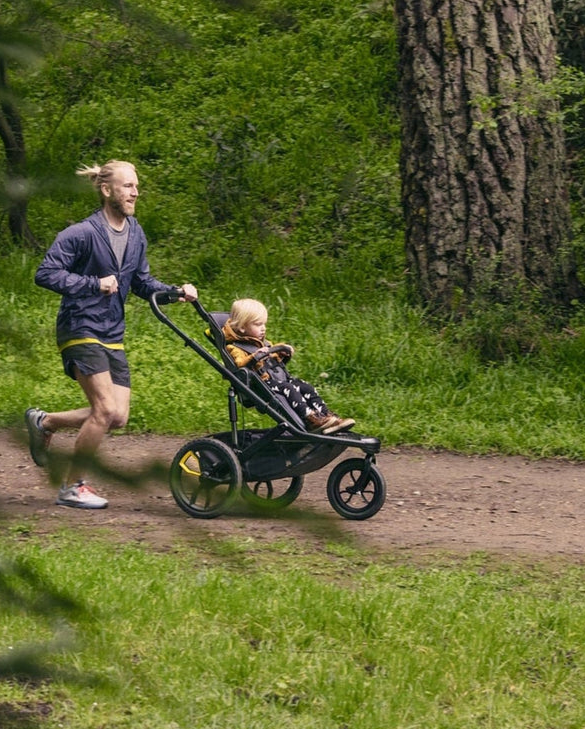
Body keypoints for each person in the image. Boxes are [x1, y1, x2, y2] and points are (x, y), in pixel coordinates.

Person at [25, 161, 198, 509]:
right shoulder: (81, 233)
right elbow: (46, 273)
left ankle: (46, 422)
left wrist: (174, 293)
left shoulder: (135, 233)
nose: (135, 193)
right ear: (107, 190)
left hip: (112, 332)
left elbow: (141, 282)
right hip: (80, 326)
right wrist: (94, 284)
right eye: (127, 186)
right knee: (103, 409)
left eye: (136, 186)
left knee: (117, 416)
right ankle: (72, 487)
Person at [221, 297, 354, 433]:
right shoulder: (235, 348)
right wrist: (255, 357)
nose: (263, 329)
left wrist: (282, 352)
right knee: (289, 388)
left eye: (264, 324)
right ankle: (310, 419)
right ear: (242, 327)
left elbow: (272, 357)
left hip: (276, 379)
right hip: (261, 384)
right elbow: (240, 364)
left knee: (306, 387)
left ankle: (327, 417)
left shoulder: (261, 343)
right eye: (258, 324)